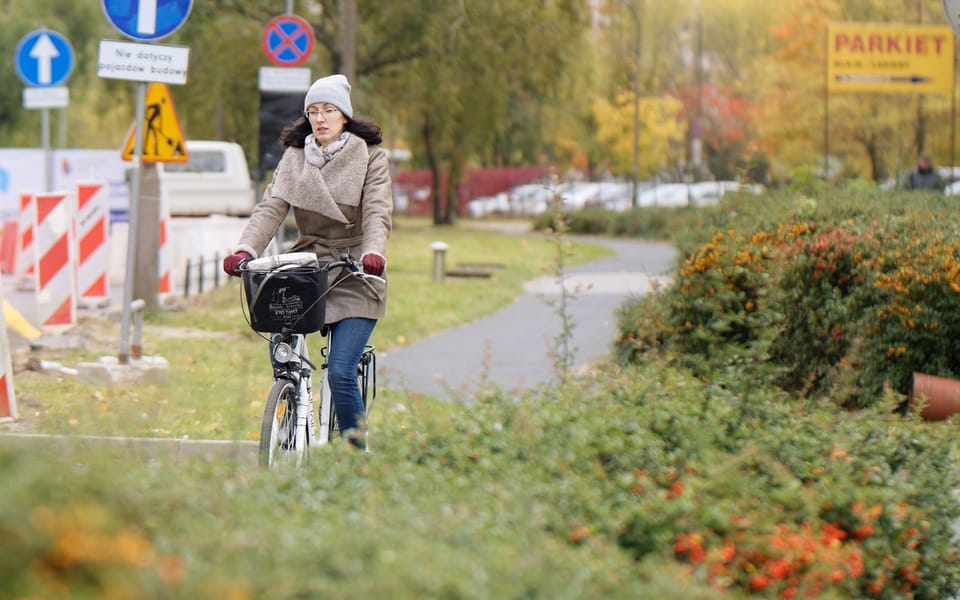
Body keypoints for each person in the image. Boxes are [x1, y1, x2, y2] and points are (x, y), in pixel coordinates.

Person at [222, 74, 392, 449]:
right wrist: (245, 249)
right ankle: (289, 407)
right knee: (282, 346)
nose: (321, 118)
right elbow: (271, 207)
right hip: (309, 268)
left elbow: (377, 210)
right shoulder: (295, 158)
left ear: (344, 115)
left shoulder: (371, 156)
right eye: (313, 111)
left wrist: (373, 251)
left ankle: (356, 454)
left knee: (342, 372)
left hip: (356, 270)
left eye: (328, 109)